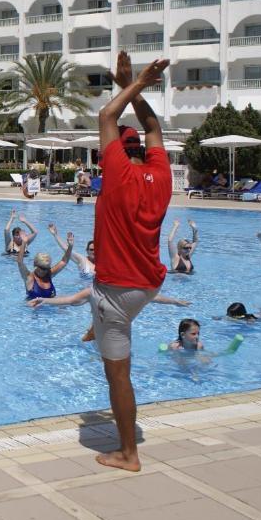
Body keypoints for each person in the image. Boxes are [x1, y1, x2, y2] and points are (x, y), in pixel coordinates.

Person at [89, 51, 171, 472]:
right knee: (105, 308)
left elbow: (106, 116)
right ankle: (98, 324)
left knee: (117, 375)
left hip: (116, 293)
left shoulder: (116, 174)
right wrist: (130, 88)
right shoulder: (162, 173)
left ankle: (128, 453)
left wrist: (134, 83)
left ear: (115, 153)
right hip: (148, 286)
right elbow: (153, 126)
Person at [27, 286, 190, 309]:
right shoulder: (95, 290)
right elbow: (70, 300)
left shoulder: (126, 290)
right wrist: (44, 300)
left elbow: (153, 297)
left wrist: (175, 302)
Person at [16, 234, 72, 300]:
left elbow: (64, 262)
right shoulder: (29, 277)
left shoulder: (49, 273)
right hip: (33, 310)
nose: (44, 271)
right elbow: (20, 262)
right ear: (35, 264)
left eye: (46, 268)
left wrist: (70, 246)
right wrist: (24, 243)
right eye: (42, 268)